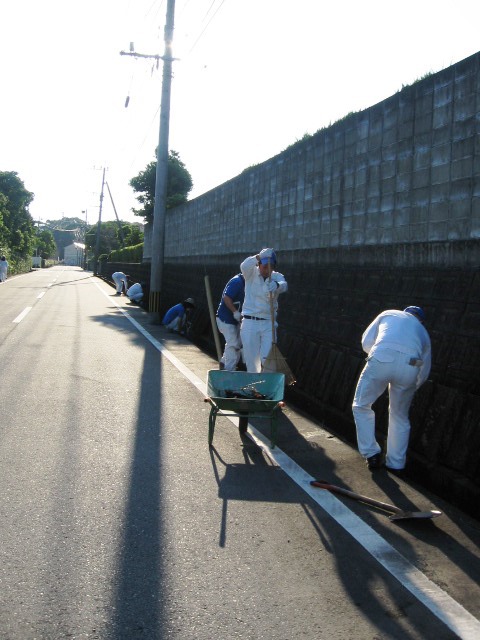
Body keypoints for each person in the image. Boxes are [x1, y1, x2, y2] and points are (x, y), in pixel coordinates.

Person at [352, 306, 431, 473]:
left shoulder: (389, 313)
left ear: (405, 311)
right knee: (399, 416)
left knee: (361, 405)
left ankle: (372, 453)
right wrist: (411, 386)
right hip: (411, 366)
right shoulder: (423, 332)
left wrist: (378, 354)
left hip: (382, 357)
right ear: (420, 320)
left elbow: (366, 341)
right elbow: (424, 369)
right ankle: (396, 464)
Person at [240, 248, 288, 373]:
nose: (267, 270)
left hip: (268, 322)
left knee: (268, 358)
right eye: (264, 266)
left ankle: (266, 387)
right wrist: (258, 256)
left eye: (270, 267)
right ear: (259, 265)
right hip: (250, 321)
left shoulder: (276, 276)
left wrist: (277, 285)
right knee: (251, 359)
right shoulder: (251, 274)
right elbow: (243, 266)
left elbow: (284, 284)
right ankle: (254, 388)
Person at [216, 273, 245, 371]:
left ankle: (223, 363)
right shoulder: (237, 282)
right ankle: (229, 370)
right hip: (226, 319)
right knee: (233, 344)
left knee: (236, 344)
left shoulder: (248, 283)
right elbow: (226, 298)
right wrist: (235, 312)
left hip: (235, 320)